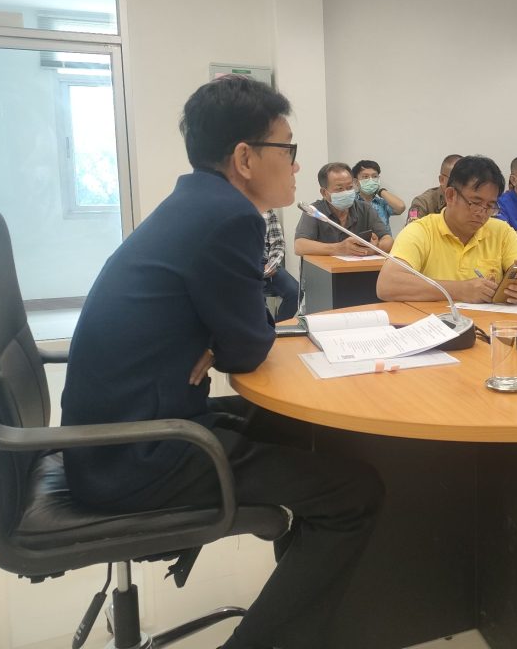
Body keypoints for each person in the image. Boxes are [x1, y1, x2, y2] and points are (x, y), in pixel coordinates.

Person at [60, 76, 383, 649]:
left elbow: (241, 331)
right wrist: (226, 333)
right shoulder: (230, 218)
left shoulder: (199, 203)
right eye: (287, 149)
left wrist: (223, 331)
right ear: (245, 158)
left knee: (295, 430)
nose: (294, 164)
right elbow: (248, 349)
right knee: (355, 494)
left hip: (115, 435)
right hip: (142, 452)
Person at [377, 155, 517, 304]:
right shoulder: (421, 231)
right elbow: (387, 284)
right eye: (475, 203)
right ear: (450, 195)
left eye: (490, 205)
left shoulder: (500, 231)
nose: (482, 213)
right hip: (437, 324)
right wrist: (460, 290)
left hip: (487, 323)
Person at [294, 162, 393, 256]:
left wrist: (375, 248)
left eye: (349, 187)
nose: (346, 192)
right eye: (340, 189)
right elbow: (299, 246)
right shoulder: (315, 211)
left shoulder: (365, 208)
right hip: (324, 268)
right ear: (324, 193)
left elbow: (388, 240)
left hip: (359, 266)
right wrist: (338, 248)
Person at [262, 209, 299, 321]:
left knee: (295, 292)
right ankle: (264, 328)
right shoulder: (230, 210)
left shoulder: (267, 211)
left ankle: (280, 327)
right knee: (256, 298)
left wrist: (272, 264)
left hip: (267, 262)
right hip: (244, 264)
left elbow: (278, 243)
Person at [352, 159, 406, 229]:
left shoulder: (382, 203)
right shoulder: (351, 202)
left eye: (374, 176)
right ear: (356, 181)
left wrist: (380, 191)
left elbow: (400, 207)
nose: (371, 180)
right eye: (365, 177)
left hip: (384, 236)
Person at [407, 153, 462, 222]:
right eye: (457, 180)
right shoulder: (423, 203)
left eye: (466, 180)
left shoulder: (469, 201)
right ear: (442, 180)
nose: (462, 185)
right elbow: (412, 227)